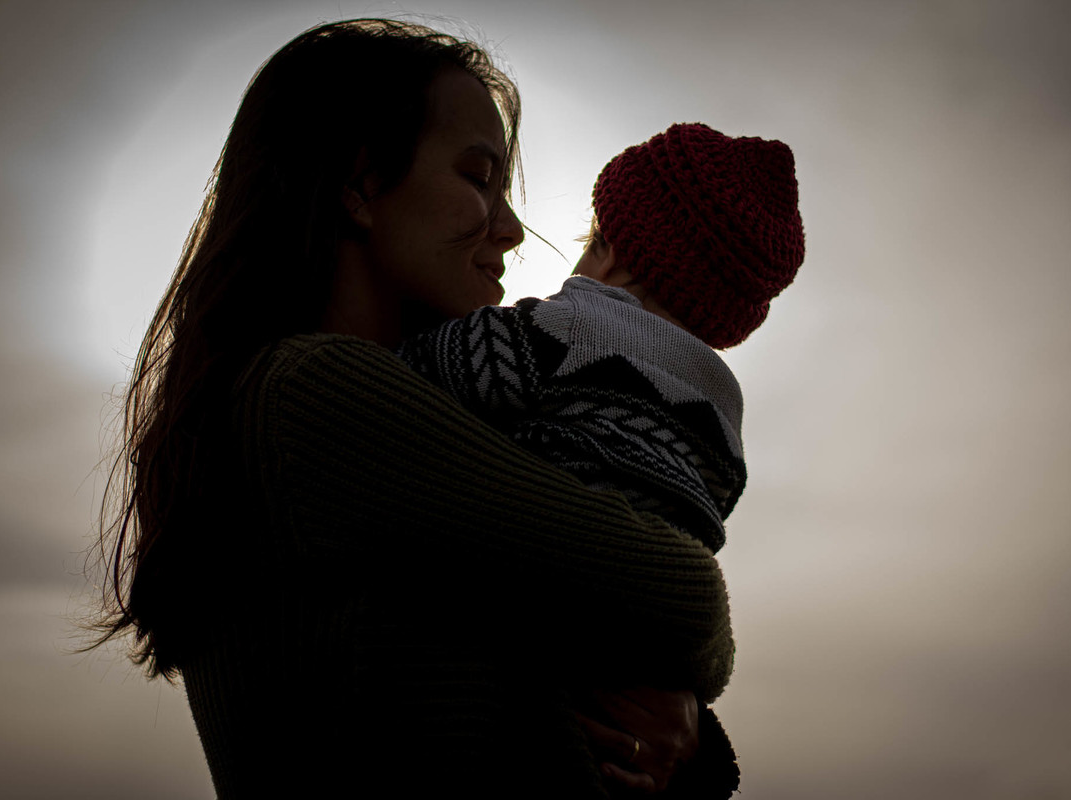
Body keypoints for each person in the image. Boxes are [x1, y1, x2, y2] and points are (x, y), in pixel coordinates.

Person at [86, 18, 740, 799]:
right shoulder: (312, 395)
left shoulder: (409, 416)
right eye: (477, 177)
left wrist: (684, 745)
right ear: (361, 185)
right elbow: (685, 599)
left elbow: (546, 691)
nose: (510, 230)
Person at [397, 123, 805, 555]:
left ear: (609, 250)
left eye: (589, 241)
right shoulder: (725, 422)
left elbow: (419, 368)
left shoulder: (564, 333)